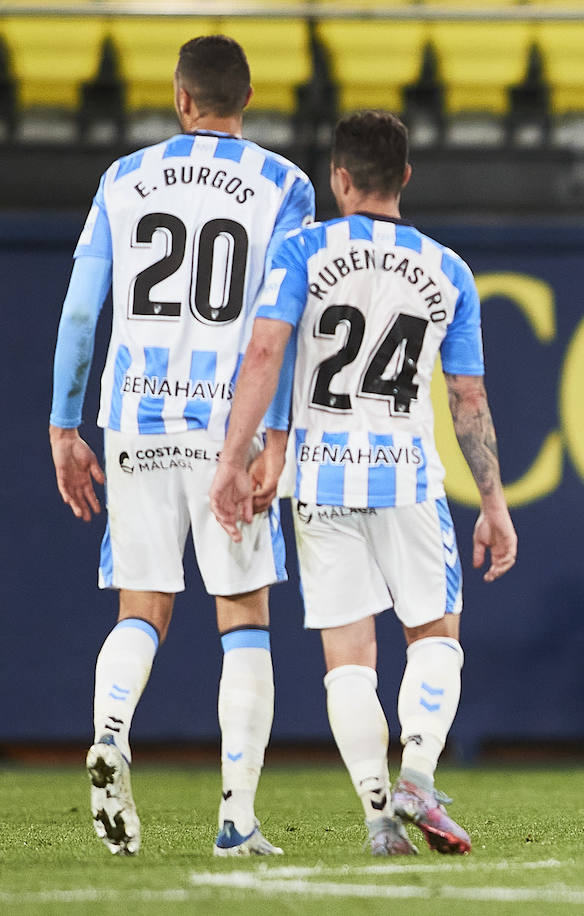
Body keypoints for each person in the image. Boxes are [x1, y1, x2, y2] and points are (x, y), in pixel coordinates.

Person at [209, 110, 517, 855]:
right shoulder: (449, 269)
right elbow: (467, 399)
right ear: (405, 177)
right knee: (436, 637)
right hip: (408, 477)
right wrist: (495, 502)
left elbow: (263, 357)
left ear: (339, 179)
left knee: (348, 659)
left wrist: (234, 457)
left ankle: (382, 818)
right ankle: (416, 775)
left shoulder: (300, 252)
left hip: (320, 477)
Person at [48, 35, 315, 857]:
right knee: (244, 621)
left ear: (181, 96)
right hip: (227, 424)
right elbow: (286, 322)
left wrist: (64, 425)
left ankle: (110, 733)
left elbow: (82, 313)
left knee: (142, 606)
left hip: (135, 417)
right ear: (246, 97)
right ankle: (237, 820)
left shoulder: (122, 179)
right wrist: (277, 438)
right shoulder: (286, 185)